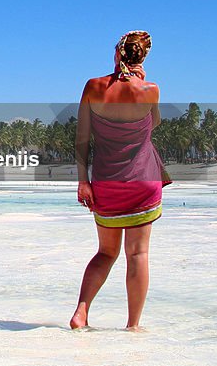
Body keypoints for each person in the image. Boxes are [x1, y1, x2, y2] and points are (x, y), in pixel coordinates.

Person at [70, 30, 170, 330]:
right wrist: (140, 81)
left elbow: (82, 137)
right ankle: (133, 326)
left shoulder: (94, 87)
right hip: (143, 180)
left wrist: (82, 181)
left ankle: (81, 312)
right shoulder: (150, 89)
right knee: (137, 254)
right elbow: (154, 123)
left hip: (106, 181)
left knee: (105, 252)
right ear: (142, 58)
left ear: (117, 53)